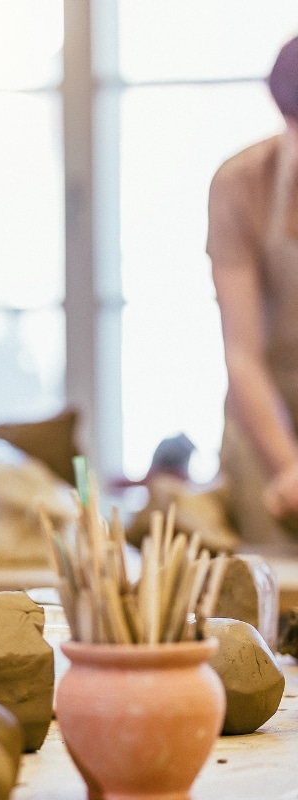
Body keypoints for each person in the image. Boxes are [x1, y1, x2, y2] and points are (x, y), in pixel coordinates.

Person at [210, 33, 298, 550]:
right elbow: (242, 354)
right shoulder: (240, 184)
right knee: (269, 585)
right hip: (263, 413)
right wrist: (288, 467)